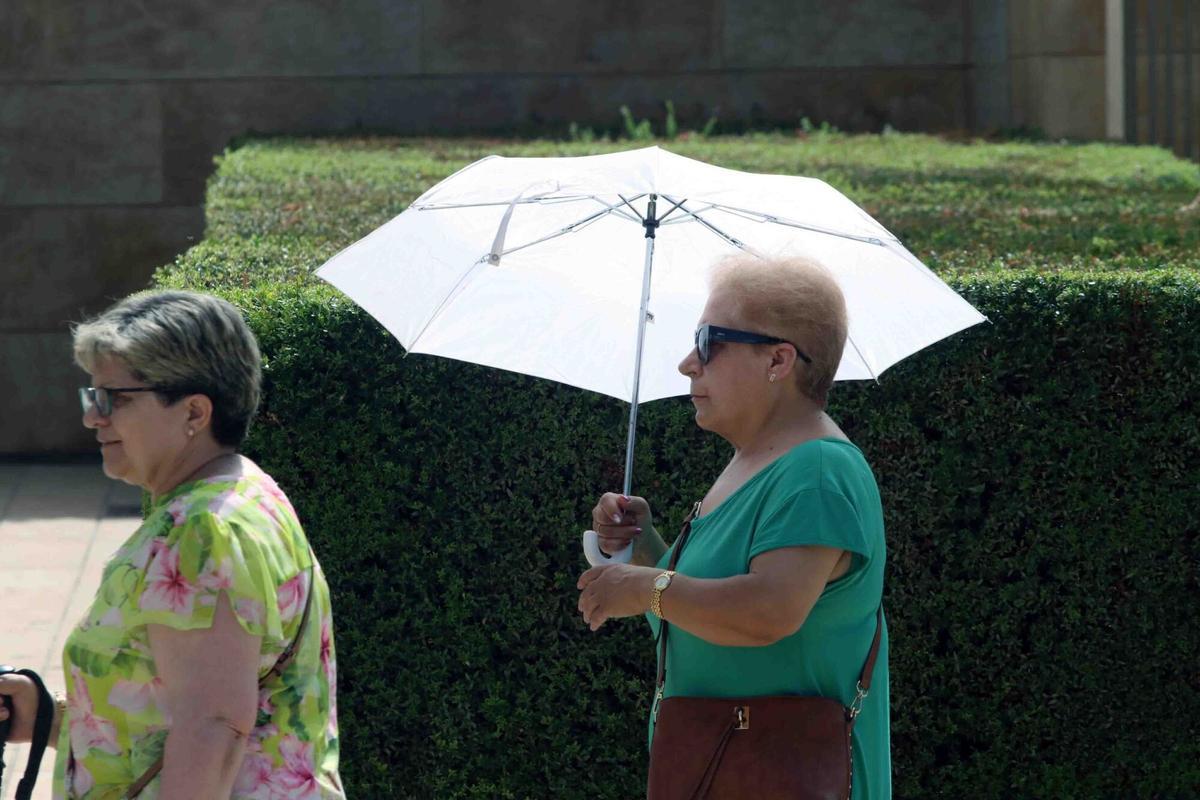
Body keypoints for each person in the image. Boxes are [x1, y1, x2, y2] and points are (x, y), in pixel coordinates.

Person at [0, 291, 343, 799]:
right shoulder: (245, 492)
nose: (94, 417)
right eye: (91, 397)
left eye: (113, 399)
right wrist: (50, 717)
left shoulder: (204, 530)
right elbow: (185, 714)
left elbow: (214, 727)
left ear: (194, 412)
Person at [576, 254, 891, 799]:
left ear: (778, 359)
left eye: (708, 341)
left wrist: (647, 587)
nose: (686, 364)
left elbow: (766, 612)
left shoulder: (816, 471)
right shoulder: (762, 462)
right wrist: (645, 546)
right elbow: (701, 612)